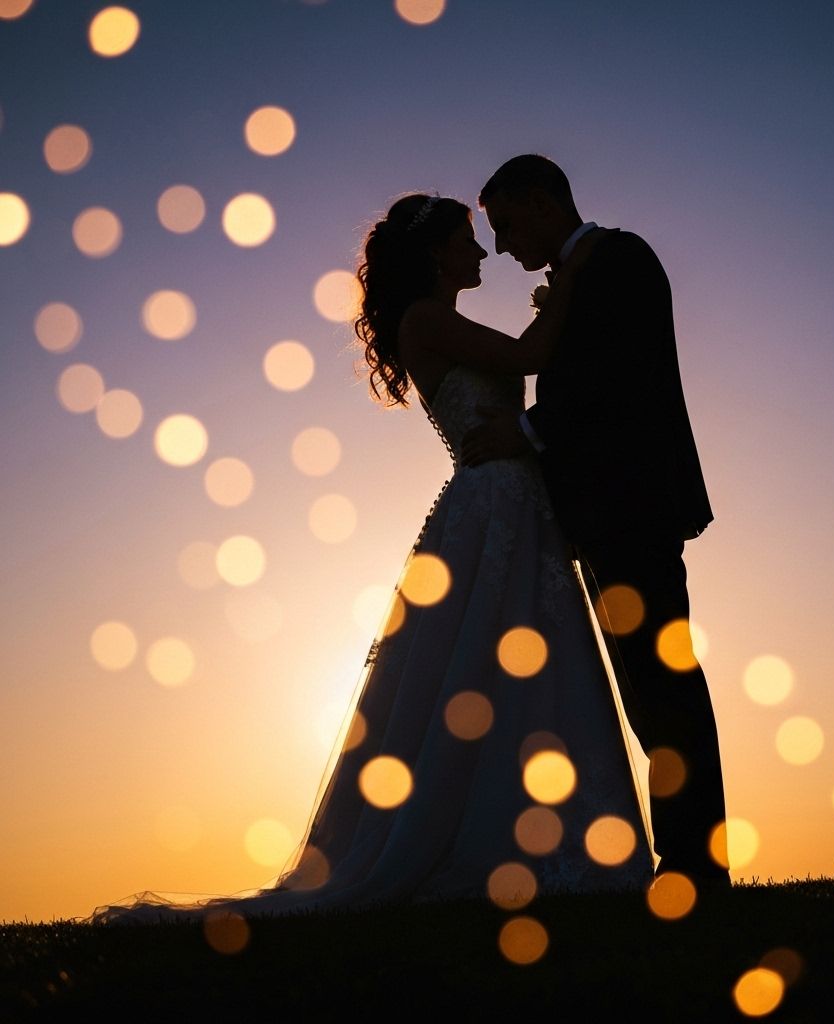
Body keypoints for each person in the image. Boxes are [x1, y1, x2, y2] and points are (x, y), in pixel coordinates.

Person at [86, 192, 653, 925]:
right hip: (490, 503)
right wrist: (566, 286)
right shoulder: (425, 320)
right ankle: (501, 844)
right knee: (487, 658)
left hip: (516, 499)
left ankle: (552, 835)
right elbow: (526, 358)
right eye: (468, 242)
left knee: (532, 659)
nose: (482, 255)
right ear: (436, 254)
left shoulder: (437, 319)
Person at [461, 154, 731, 892]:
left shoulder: (621, 259)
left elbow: (615, 381)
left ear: (545, 203)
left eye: (509, 224)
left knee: (664, 685)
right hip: (606, 513)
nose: (505, 246)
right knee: (648, 691)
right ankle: (688, 860)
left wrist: (529, 431)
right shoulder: (587, 274)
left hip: (633, 505)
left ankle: (695, 867)